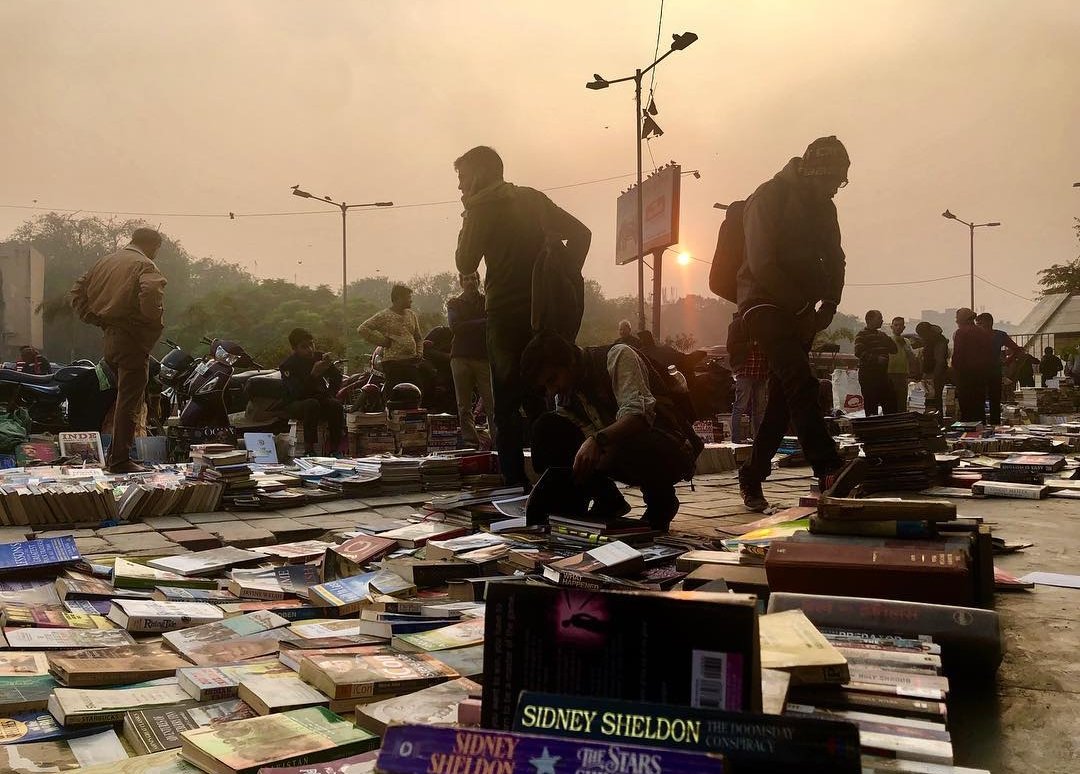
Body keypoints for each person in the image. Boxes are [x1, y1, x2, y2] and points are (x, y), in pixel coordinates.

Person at [453, 145, 591, 486]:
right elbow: (582, 234)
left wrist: (469, 212)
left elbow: (465, 262)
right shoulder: (533, 199)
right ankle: (553, 478)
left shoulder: (480, 209)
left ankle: (515, 485)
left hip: (503, 317)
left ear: (480, 175)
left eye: (463, 178)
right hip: (542, 316)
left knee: (506, 406)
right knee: (541, 397)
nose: (460, 187)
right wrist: (561, 275)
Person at [735, 136, 849, 511]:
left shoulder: (824, 209)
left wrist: (829, 303)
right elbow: (762, 262)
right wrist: (802, 308)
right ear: (816, 172)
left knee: (785, 397)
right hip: (763, 302)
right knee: (800, 380)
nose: (836, 189)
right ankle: (828, 466)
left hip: (802, 309)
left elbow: (835, 259)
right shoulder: (768, 198)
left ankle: (752, 474)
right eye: (834, 180)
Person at [520, 330, 702, 532]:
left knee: (635, 434)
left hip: (668, 445)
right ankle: (607, 499)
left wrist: (597, 441)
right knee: (546, 428)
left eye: (553, 379)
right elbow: (586, 433)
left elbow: (639, 417)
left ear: (569, 361)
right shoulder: (564, 397)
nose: (552, 390)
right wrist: (593, 458)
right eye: (545, 385)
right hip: (615, 449)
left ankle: (661, 503)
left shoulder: (618, 357)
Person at [69, 227, 166, 473]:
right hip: (132, 338)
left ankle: (116, 455)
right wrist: (150, 321)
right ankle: (120, 459)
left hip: (110, 338)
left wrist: (94, 318)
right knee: (129, 401)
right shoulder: (145, 265)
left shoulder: (105, 262)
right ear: (153, 246)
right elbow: (152, 292)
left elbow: (77, 292)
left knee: (118, 398)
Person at [446, 272, 495, 448]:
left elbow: (494, 323)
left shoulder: (486, 300)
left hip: (483, 358)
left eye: (473, 278)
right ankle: (470, 442)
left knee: (491, 403)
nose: (470, 282)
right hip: (460, 357)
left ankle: (497, 441)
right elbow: (455, 327)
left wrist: (470, 324)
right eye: (466, 279)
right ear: (461, 282)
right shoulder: (454, 303)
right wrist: (482, 322)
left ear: (478, 281)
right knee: (464, 405)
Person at [279, 328, 344, 456]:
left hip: (318, 398)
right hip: (295, 402)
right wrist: (313, 375)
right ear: (295, 349)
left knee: (336, 405)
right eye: (304, 347)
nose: (310, 349)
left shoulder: (318, 357)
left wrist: (330, 394)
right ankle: (309, 450)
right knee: (311, 404)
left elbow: (337, 377)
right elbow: (296, 393)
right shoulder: (288, 365)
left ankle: (335, 449)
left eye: (311, 344)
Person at [357, 285, 424, 392]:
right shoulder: (384, 316)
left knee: (416, 389)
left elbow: (418, 337)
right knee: (394, 391)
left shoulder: (412, 315)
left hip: (411, 361)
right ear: (398, 298)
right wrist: (382, 342)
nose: (411, 300)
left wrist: (419, 352)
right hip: (393, 362)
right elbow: (363, 329)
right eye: (408, 297)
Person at [727, 312, 768, 442]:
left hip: (760, 372)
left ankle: (758, 440)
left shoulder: (761, 323)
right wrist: (750, 344)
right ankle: (736, 439)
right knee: (741, 406)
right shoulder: (737, 324)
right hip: (745, 370)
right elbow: (731, 347)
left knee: (758, 408)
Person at [975, 312, 1022, 424]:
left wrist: (1006, 362)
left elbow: (1017, 349)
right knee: (988, 398)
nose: (979, 326)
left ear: (989, 322)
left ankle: (990, 423)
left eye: (980, 323)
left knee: (991, 398)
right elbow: (1017, 349)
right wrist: (1006, 361)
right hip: (988, 370)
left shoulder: (998, 335)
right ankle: (989, 422)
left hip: (988, 370)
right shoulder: (999, 335)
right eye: (978, 324)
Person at [951, 308, 994, 422]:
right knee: (979, 405)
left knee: (966, 406)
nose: (956, 321)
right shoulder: (982, 332)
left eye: (957, 318)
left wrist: (954, 371)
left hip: (965, 375)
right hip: (980, 374)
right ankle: (981, 428)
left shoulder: (961, 332)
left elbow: (958, 355)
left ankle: (968, 430)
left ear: (962, 319)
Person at [854, 310, 897, 416]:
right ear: (870, 320)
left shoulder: (882, 335)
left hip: (882, 375)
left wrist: (887, 340)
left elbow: (894, 350)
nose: (882, 321)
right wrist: (876, 359)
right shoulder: (862, 335)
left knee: (890, 404)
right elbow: (858, 352)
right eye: (879, 318)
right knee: (871, 404)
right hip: (868, 375)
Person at [915, 322, 950, 418]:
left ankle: (935, 421)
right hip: (932, 374)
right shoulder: (934, 339)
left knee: (934, 400)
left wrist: (935, 376)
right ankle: (934, 421)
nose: (921, 337)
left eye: (921, 335)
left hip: (935, 374)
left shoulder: (937, 340)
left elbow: (939, 360)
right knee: (932, 400)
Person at [886, 316, 918, 413]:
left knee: (901, 401)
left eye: (900, 325)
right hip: (889, 373)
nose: (898, 327)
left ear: (904, 327)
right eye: (896, 325)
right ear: (891, 327)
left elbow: (912, 358)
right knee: (890, 400)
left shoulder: (906, 342)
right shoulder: (887, 340)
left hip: (902, 374)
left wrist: (904, 346)